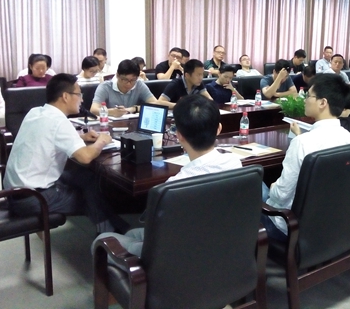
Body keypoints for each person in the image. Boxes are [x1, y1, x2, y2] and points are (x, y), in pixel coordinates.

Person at [93, 94, 241, 262]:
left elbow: (159, 229)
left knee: (102, 240)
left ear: (179, 135)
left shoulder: (172, 187)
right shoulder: (235, 163)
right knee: (132, 233)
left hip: (178, 257)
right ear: (219, 129)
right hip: (223, 245)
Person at [4, 74, 127, 234]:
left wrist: (81, 137)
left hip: (14, 192)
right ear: (65, 96)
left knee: (87, 178)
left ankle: (119, 227)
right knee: (89, 197)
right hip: (33, 199)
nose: (82, 99)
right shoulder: (59, 121)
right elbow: (85, 157)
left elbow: (46, 137)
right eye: (79, 94)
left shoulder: (36, 112)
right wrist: (102, 140)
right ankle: (108, 237)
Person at [263, 74, 350, 240]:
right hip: (336, 223)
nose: (305, 100)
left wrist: (273, 187)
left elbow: (281, 195)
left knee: (255, 186)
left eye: (308, 96)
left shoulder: (302, 143)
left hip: (292, 227)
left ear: (322, 102)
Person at [91, 59, 166, 117]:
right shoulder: (105, 87)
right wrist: (111, 112)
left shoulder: (139, 84)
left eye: (133, 80)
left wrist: (134, 109)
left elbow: (156, 105)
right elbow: (93, 109)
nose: (129, 84)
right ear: (117, 75)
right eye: (125, 80)